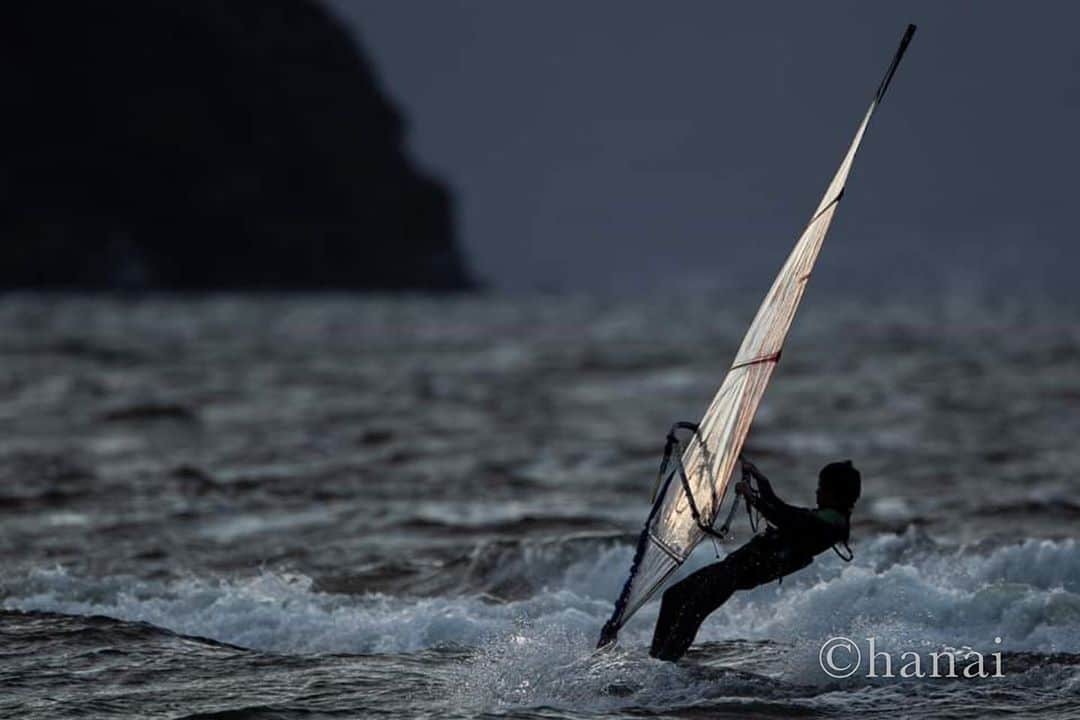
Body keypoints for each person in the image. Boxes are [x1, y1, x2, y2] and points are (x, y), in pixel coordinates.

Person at [649, 459, 861, 661]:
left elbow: (785, 517)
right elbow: (782, 508)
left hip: (737, 573)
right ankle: (657, 659)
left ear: (837, 494)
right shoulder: (826, 518)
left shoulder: (831, 525)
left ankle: (665, 663)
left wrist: (753, 498)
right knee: (674, 596)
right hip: (733, 568)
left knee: (691, 611)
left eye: (822, 487)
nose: (818, 491)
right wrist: (761, 480)